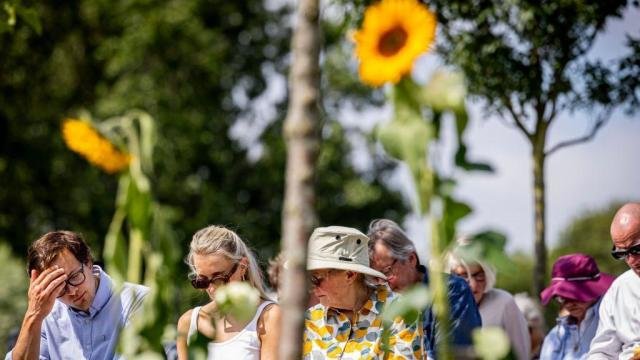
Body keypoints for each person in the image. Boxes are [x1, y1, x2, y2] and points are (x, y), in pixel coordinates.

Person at [6, 230, 150, 360]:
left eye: (74, 277)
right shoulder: (46, 315)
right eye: (59, 287)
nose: (72, 292)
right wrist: (33, 314)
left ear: (88, 262)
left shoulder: (137, 301)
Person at [303, 226, 424, 359]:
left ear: (349, 275)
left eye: (315, 278)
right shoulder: (310, 320)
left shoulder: (400, 312)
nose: (311, 287)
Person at [367, 219, 481, 358]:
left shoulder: (451, 290)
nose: (384, 283)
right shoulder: (380, 299)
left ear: (411, 258)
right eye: (376, 277)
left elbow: (452, 353)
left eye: (387, 272)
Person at [176, 225, 280, 360]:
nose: (212, 289)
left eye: (219, 278)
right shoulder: (189, 322)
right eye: (202, 281)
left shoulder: (269, 316)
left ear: (242, 266)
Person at [446, 238, 530, 360]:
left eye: (479, 275)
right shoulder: (441, 308)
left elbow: (522, 354)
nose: (473, 285)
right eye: (464, 276)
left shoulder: (503, 303)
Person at [588, 202, 640, 358]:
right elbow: (602, 352)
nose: (631, 260)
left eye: (636, 249)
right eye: (622, 253)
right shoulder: (619, 289)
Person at [538, 253, 615, 359]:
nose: (568, 304)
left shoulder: (610, 324)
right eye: (561, 298)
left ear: (592, 291)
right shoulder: (555, 336)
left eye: (574, 296)